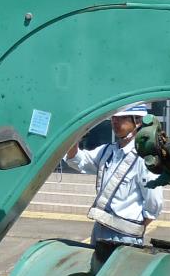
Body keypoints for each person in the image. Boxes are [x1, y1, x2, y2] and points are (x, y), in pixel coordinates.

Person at [63, 103, 163, 259]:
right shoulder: (108, 151)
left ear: (137, 121)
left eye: (121, 118)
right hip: (100, 229)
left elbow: (154, 203)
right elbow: (78, 160)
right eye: (113, 118)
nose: (115, 121)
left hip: (126, 236)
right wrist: (73, 138)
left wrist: (134, 228)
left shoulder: (144, 158)